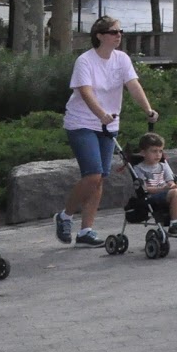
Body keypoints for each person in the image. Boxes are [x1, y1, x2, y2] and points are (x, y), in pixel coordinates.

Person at [56, 16, 158, 247]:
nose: (118, 35)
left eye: (120, 31)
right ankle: (65, 216)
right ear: (100, 36)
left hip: (108, 124)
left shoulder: (122, 59)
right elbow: (85, 92)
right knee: (92, 174)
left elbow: (133, 85)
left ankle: (86, 231)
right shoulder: (85, 61)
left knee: (100, 178)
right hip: (82, 122)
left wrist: (148, 109)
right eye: (113, 32)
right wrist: (100, 112)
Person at [128, 132, 177, 235]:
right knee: (176, 192)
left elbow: (170, 181)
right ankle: (174, 224)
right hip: (151, 196)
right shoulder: (139, 168)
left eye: (160, 151)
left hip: (166, 192)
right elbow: (144, 188)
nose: (158, 154)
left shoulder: (163, 166)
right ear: (143, 153)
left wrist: (172, 186)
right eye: (154, 151)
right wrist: (163, 189)